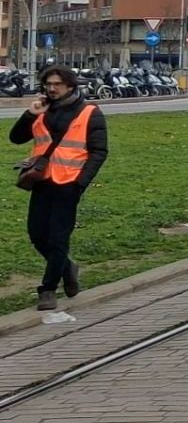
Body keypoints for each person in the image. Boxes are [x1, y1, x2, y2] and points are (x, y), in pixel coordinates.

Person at [11, 65, 108, 310]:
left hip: (69, 183)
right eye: (48, 84)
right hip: (42, 181)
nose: (51, 88)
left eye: (57, 84)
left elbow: (98, 152)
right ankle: (67, 268)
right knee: (37, 235)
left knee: (58, 238)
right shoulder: (42, 109)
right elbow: (16, 138)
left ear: (70, 86)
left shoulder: (89, 112)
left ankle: (48, 289)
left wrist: (80, 183)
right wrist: (30, 114)